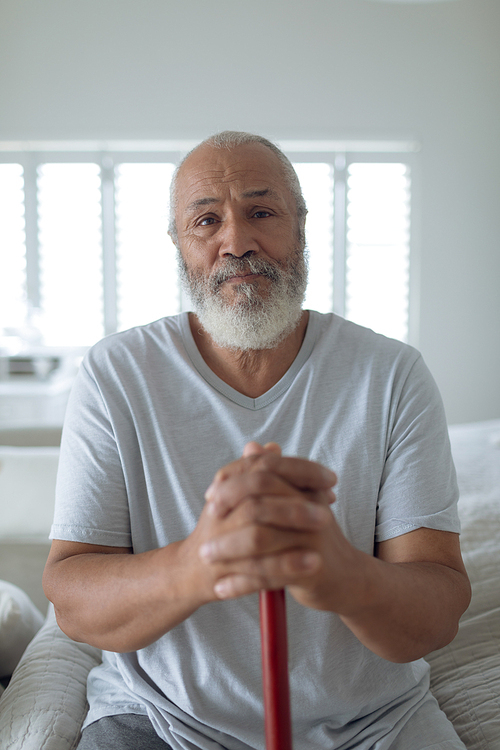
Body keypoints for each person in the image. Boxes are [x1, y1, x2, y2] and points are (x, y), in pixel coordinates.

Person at [43, 131, 471, 750]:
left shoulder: (391, 374)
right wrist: (202, 563)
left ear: (300, 227)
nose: (236, 242)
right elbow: (74, 604)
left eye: (262, 212)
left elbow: (436, 615)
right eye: (206, 220)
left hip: (377, 725)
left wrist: (340, 574)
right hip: (158, 721)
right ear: (179, 245)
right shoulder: (116, 374)